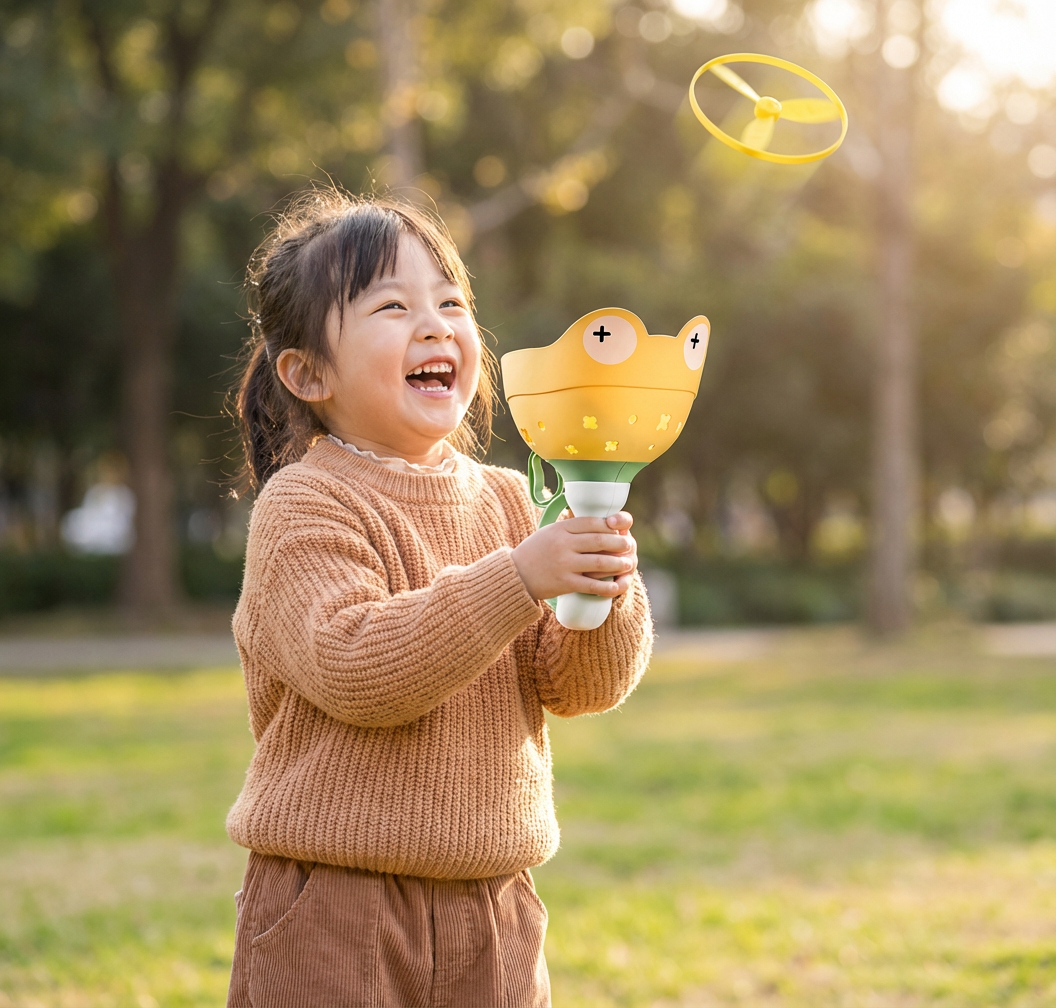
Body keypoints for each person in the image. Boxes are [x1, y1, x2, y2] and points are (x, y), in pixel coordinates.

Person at [224, 189, 653, 1008]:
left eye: (451, 302)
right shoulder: (305, 505)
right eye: (391, 305)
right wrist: (521, 576)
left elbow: (577, 687)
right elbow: (356, 665)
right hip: (336, 909)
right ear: (307, 372)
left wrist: (603, 586)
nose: (435, 324)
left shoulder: (507, 499)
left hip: (493, 906)